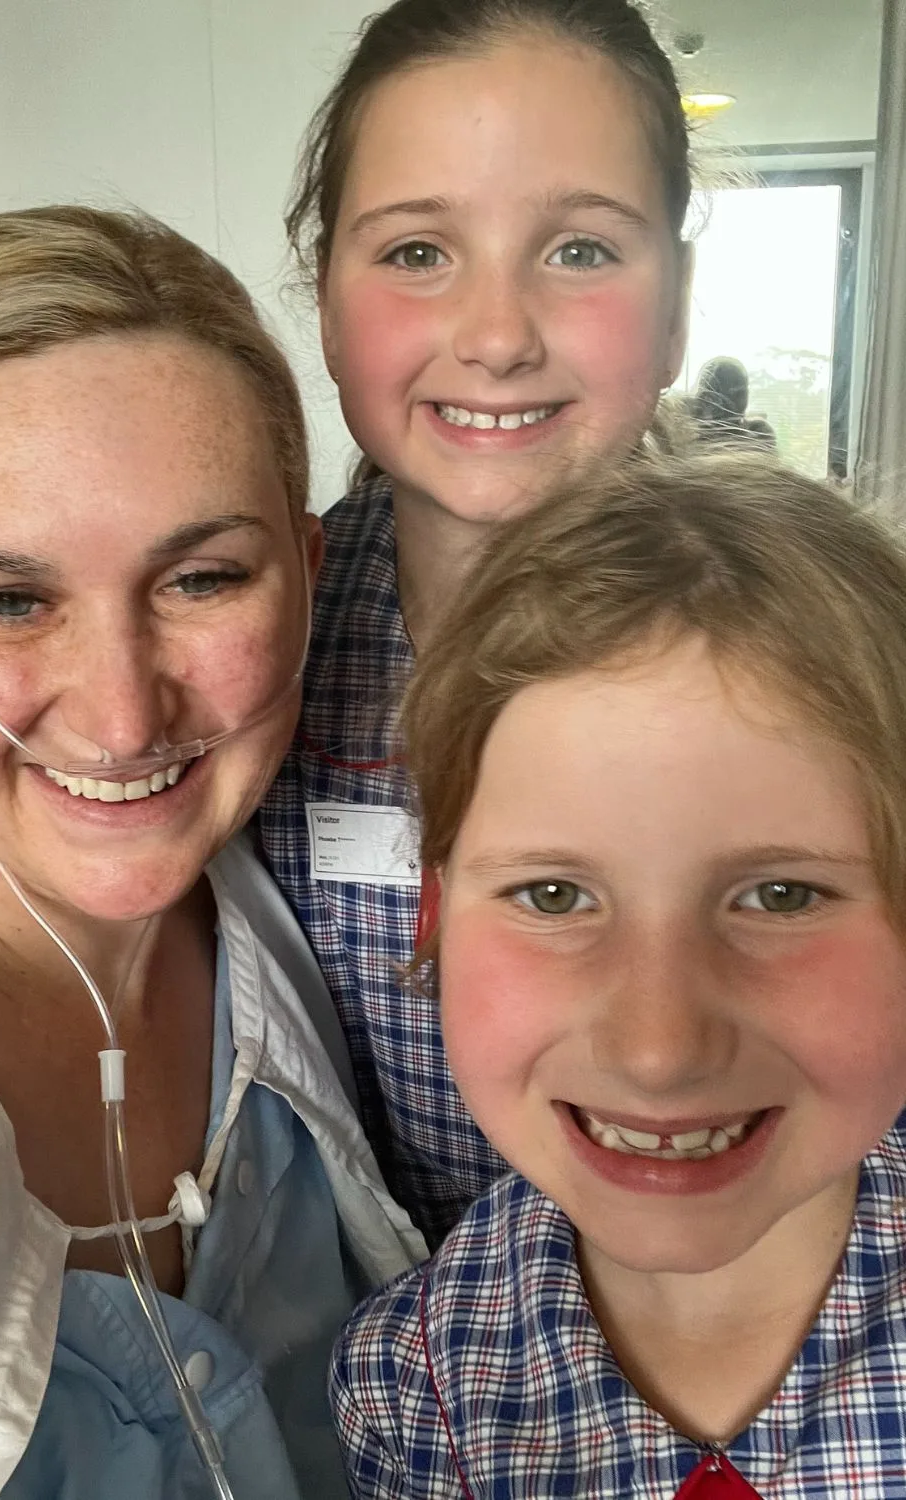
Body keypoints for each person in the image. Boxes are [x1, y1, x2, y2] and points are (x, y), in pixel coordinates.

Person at [0, 207, 423, 1500]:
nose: (125, 718)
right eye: (6, 600)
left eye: (203, 580)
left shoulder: (314, 937)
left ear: (307, 573)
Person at [330, 452, 906, 1497]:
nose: (658, 1051)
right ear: (436, 913)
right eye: (554, 896)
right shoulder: (409, 1386)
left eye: (781, 896)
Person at [260, 0, 694, 1247]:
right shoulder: (254, 634)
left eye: (579, 249)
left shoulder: (806, 661)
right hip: (344, 1324)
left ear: (676, 309)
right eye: (416, 252)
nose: (498, 337)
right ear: (326, 305)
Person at [690, 355, 777, 451]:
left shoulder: (759, 434)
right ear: (707, 398)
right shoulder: (688, 435)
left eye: (743, 393)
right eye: (735, 394)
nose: (740, 402)